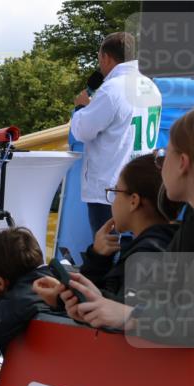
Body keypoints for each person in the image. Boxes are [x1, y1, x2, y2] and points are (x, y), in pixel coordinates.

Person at [58, 108, 194, 346]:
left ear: (182, 162)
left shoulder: (153, 248)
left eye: (166, 153)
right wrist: (98, 302)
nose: (161, 166)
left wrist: (127, 315)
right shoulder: (185, 228)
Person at [34, 153, 175, 306]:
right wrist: (99, 256)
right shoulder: (169, 242)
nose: (112, 201)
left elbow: (119, 314)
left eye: (115, 191)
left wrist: (60, 300)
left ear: (133, 201)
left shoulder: (148, 255)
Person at [70, 32, 162, 237]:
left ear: (106, 57)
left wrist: (81, 109)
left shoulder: (112, 89)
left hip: (109, 191)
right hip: (141, 186)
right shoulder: (151, 87)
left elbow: (82, 131)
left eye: (99, 59)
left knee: (108, 253)